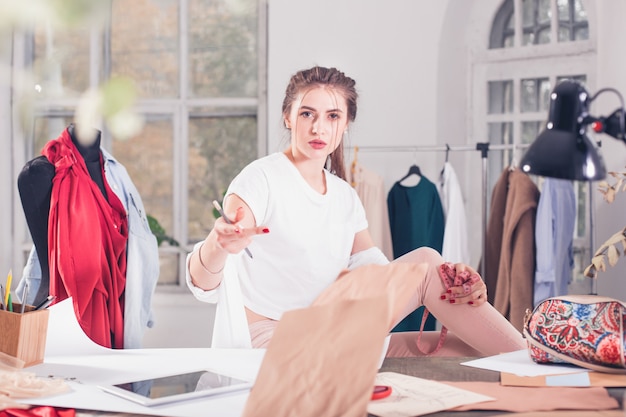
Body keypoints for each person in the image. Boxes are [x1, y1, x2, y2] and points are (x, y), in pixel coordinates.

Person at [186, 66, 526, 356]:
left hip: (327, 332)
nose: (319, 128)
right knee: (425, 262)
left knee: (459, 344)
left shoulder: (343, 196)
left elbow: (380, 273)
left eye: (332, 116)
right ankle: (531, 361)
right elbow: (203, 284)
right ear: (288, 117)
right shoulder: (260, 179)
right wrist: (218, 246)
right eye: (307, 113)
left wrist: (455, 279)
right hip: (272, 343)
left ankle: (530, 362)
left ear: (346, 123)